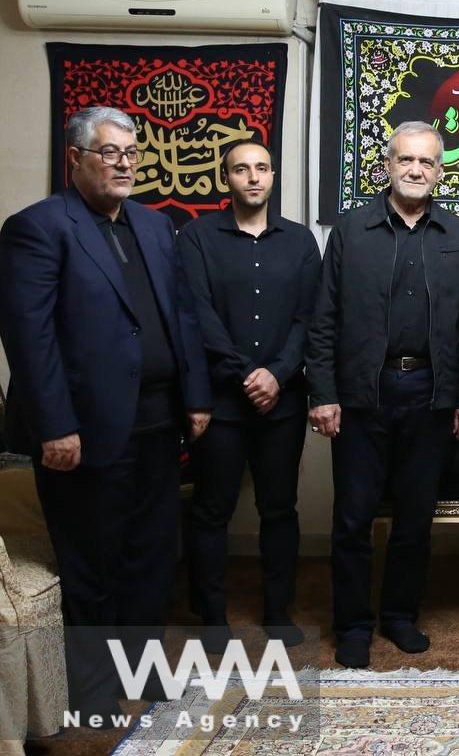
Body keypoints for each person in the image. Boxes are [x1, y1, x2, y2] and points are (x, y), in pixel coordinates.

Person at [0, 106, 212, 719]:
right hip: (83, 432)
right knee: (92, 564)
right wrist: (55, 426)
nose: (123, 164)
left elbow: (182, 316)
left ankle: (143, 677)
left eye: (131, 153)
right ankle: (91, 694)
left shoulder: (154, 225)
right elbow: (29, 337)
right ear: (75, 159)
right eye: (109, 153)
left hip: (157, 424)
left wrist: (195, 397)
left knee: (150, 560)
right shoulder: (38, 227)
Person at [306, 121, 459, 669]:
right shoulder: (351, 231)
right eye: (406, 160)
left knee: (414, 520)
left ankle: (400, 617)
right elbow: (324, 319)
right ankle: (353, 625)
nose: (416, 170)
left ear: (440, 171)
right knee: (353, 518)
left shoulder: (457, 235)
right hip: (363, 394)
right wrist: (322, 393)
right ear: (387, 166)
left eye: (427, 163)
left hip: (431, 394)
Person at [177, 140, 321, 652]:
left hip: (281, 402)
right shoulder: (196, 237)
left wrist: (278, 374)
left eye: (262, 168)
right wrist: (247, 375)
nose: (253, 177)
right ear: (226, 179)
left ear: (273, 175)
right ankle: (211, 614)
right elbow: (197, 314)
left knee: (279, 508)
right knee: (212, 510)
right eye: (241, 169)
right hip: (221, 402)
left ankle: (277, 611)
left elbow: (311, 317)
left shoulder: (301, 242)